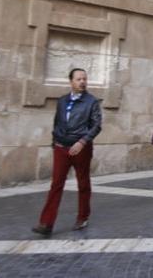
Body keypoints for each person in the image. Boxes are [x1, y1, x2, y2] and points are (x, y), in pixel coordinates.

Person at [32, 68, 102, 237]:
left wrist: (82, 142)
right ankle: (46, 223)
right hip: (61, 147)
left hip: (81, 148)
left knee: (83, 183)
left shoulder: (91, 102)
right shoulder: (62, 101)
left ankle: (83, 216)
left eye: (85, 79)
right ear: (71, 81)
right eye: (79, 79)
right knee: (56, 184)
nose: (83, 82)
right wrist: (54, 142)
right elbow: (57, 122)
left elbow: (96, 125)